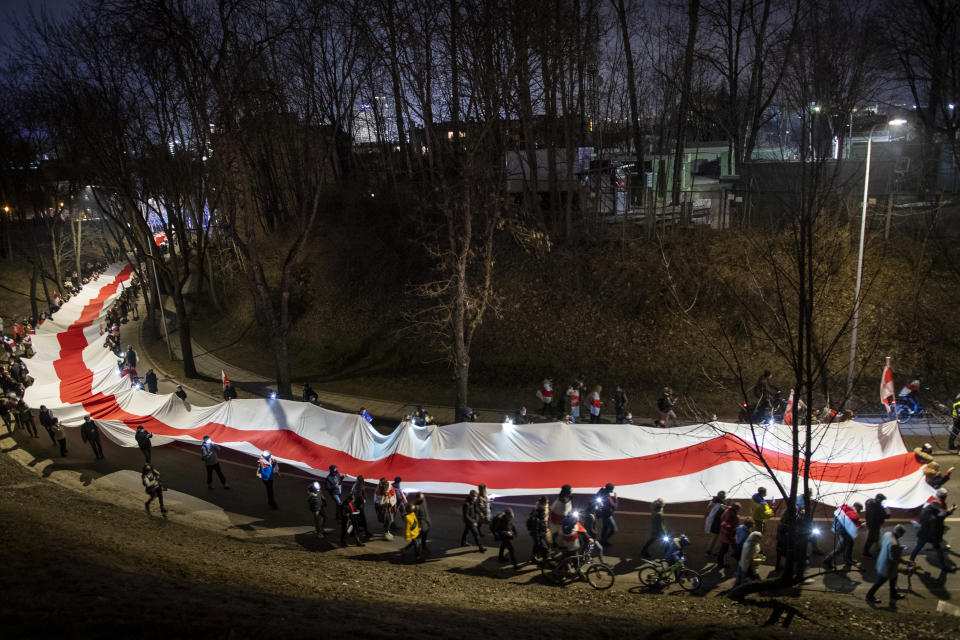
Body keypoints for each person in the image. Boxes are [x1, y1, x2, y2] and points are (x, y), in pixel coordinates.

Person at [909, 488, 956, 570]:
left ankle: (910, 562)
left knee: (917, 548)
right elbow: (940, 519)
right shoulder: (935, 517)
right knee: (939, 551)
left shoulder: (927, 509)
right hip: (932, 536)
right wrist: (936, 541)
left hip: (923, 534)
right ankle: (944, 567)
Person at [866, 524, 909, 605]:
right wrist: (904, 562)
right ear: (900, 533)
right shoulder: (894, 544)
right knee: (880, 582)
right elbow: (893, 558)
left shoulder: (887, 534)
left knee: (893, 578)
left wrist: (899, 547)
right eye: (902, 534)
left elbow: (886, 546)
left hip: (882, 560)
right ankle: (869, 595)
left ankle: (893, 594)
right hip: (887, 566)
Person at [823, 502, 864, 570]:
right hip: (845, 531)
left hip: (840, 529)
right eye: (859, 510)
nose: (859, 511)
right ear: (857, 507)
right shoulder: (853, 512)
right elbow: (852, 521)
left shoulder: (846, 508)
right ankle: (827, 561)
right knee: (840, 548)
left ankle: (848, 559)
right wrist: (860, 525)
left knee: (849, 544)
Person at [862, 493, 889, 558]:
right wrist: (886, 512)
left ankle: (877, 547)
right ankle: (865, 552)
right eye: (882, 500)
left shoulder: (870, 504)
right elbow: (884, 515)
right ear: (879, 499)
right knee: (871, 538)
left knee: (876, 535)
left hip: (871, 523)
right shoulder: (877, 507)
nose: (882, 501)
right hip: (874, 524)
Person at [716, 503, 741, 568]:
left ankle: (720, 563)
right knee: (734, 549)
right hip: (730, 534)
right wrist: (732, 528)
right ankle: (741, 563)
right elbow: (729, 525)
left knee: (724, 550)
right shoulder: (733, 515)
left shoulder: (727, 511)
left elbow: (722, 520)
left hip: (724, 533)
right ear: (737, 509)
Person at [527, 496, 550, 562]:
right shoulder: (537, 512)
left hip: (541, 531)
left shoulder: (542, 508)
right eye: (546, 503)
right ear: (543, 503)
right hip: (538, 532)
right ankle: (543, 560)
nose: (547, 505)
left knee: (536, 545)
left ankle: (533, 557)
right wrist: (537, 536)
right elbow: (536, 526)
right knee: (543, 546)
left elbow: (544, 519)